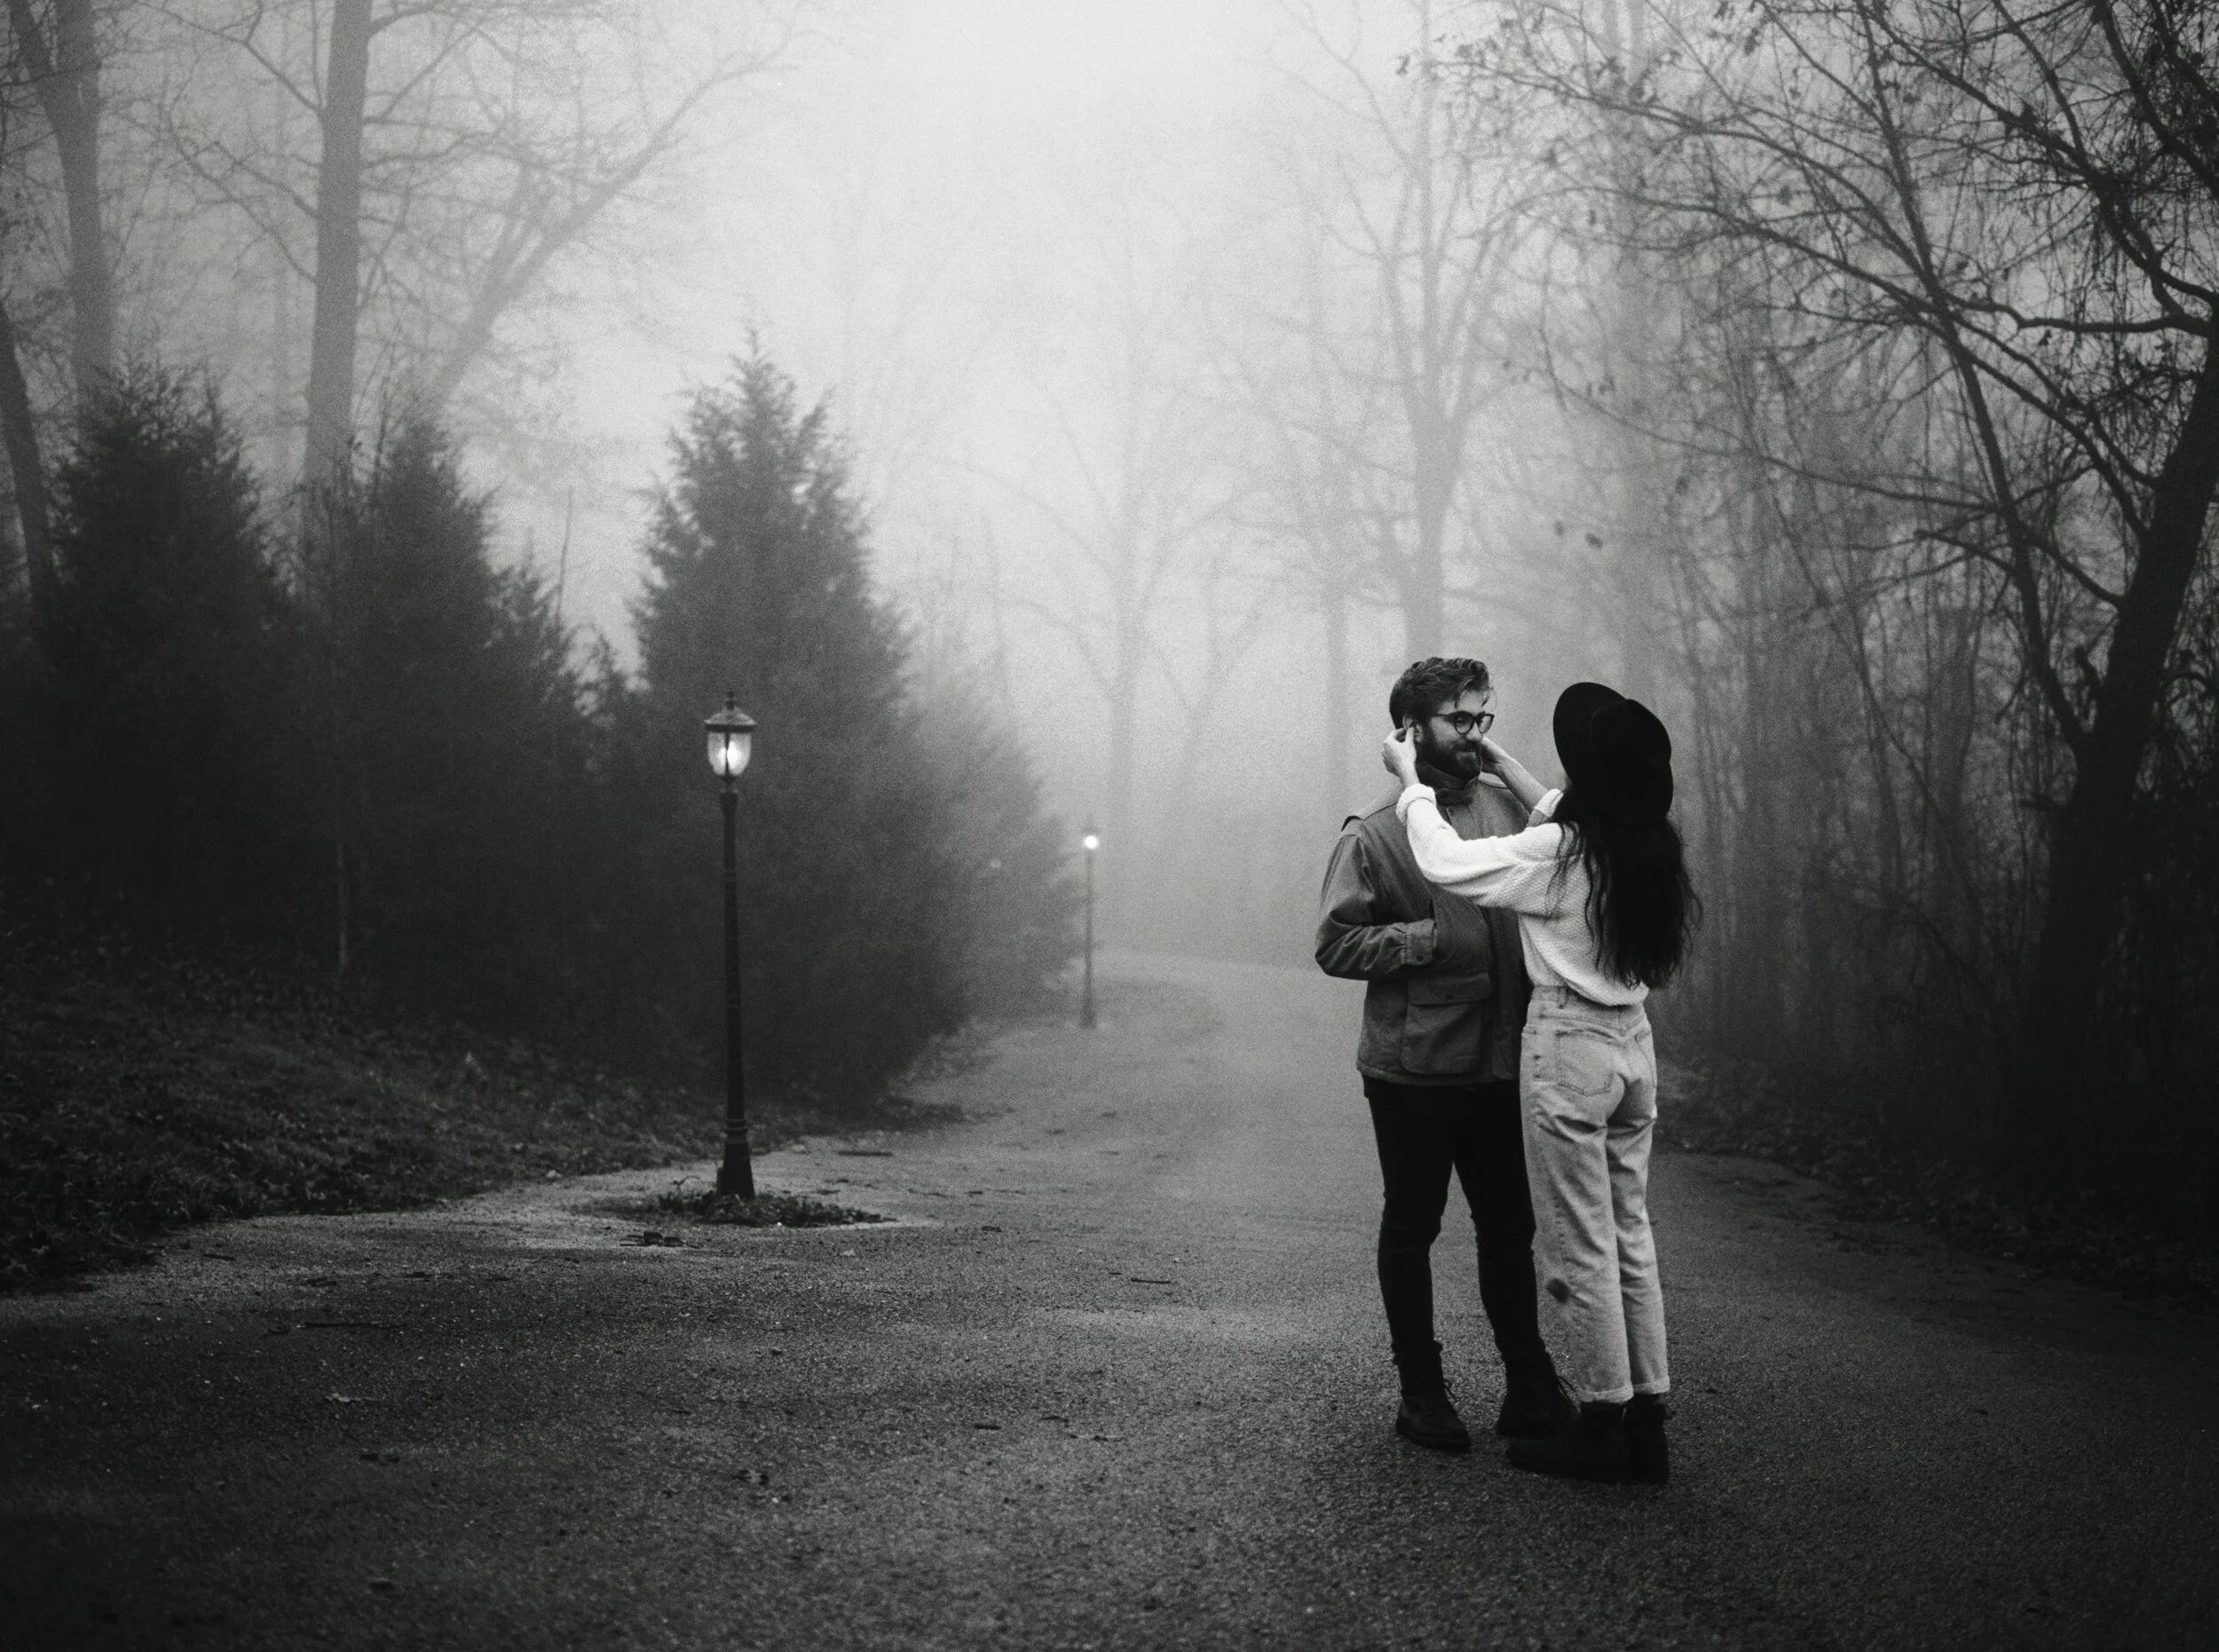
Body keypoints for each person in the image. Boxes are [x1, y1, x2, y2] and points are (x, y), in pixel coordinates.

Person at [1381, 681, 1697, 1484]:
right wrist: (1505, 764)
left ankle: (1600, 1420)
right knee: (1630, 1236)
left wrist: (1411, 782)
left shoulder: (1559, 855)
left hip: (1571, 1048)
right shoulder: (1644, 846)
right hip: (1633, 1048)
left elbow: (1444, 861)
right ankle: (1647, 1421)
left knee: (1579, 1244)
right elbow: (1560, 808)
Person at [1317, 657, 1576, 1454]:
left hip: (1500, 1062)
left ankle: (1529, 1387)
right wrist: (1425, 939)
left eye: (1482, 718)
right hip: (1413, 1069)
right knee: (1413, 1225)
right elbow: (1334, 942)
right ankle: (1422, 1393)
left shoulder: (1507, 808)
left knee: (1509, 1227)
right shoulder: (1374, 830)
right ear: (1412, 728)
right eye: (1459, 719)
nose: (1474, 733)